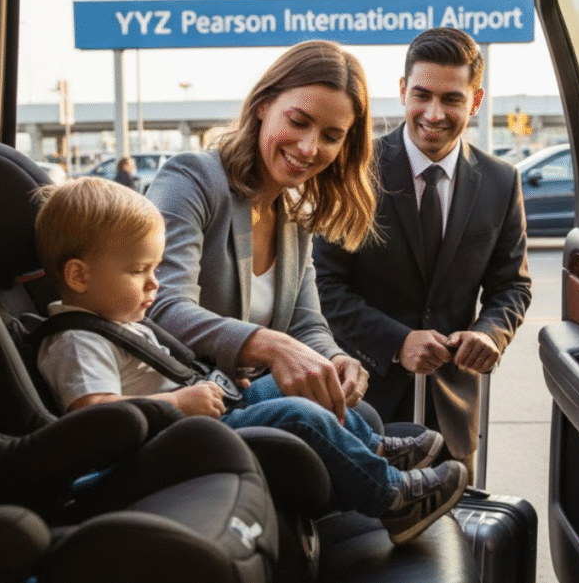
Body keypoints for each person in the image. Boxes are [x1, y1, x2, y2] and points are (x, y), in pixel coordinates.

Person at [34, 175, 467, 545]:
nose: (154, 284)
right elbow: (93, 420)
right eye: (138, 272)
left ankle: (372, 452)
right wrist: (180, 404)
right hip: (167, 445)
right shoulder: (76, 341)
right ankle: (392, 498)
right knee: (296, 415)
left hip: (195, 418)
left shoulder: (119, 320)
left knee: (287, 385)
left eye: (155, 269)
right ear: (79, 275)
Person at [313, 27, 532, 474]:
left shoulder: (500, 181)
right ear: (401, 92)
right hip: (363, 410)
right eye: (422, 95)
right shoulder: (354, 170)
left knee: (451, 540)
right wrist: (397, 342)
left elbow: (512, 286)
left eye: (452, 99)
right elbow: (324, 285)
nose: (434, 113)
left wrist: (489, 333)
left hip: (454, 414)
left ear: (475, 100)